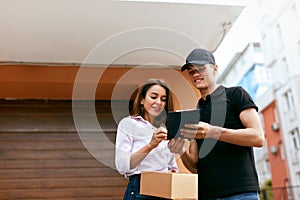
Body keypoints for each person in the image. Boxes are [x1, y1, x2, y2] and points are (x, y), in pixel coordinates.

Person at [168, 48, 265, 200]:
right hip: (208, 195)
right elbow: (194, 166)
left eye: (201, 69)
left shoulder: (236, 95)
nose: (196, 74)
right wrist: (180, 151)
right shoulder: (195, 112)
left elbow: (258, 137)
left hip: (240, 193)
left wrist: (213, 132)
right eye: (191, 71)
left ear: (215, 69)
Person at [115, 79, 179, 200]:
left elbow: (171, 166)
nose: (159, 102)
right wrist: (151, 145)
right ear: (142, 100)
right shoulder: (129, 124)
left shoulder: (166, 128)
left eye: (163, 99)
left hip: (165, 189)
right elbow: (123, 166)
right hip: (140, 188)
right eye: (153, 97)